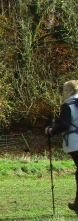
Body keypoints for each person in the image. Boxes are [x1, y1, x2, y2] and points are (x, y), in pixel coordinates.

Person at [45, 80, 78, 214]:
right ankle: (77, 204)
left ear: (69, 91)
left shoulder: (67, 106)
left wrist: (51, 131)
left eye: (64, 90)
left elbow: (64, 125)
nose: (63, 93)